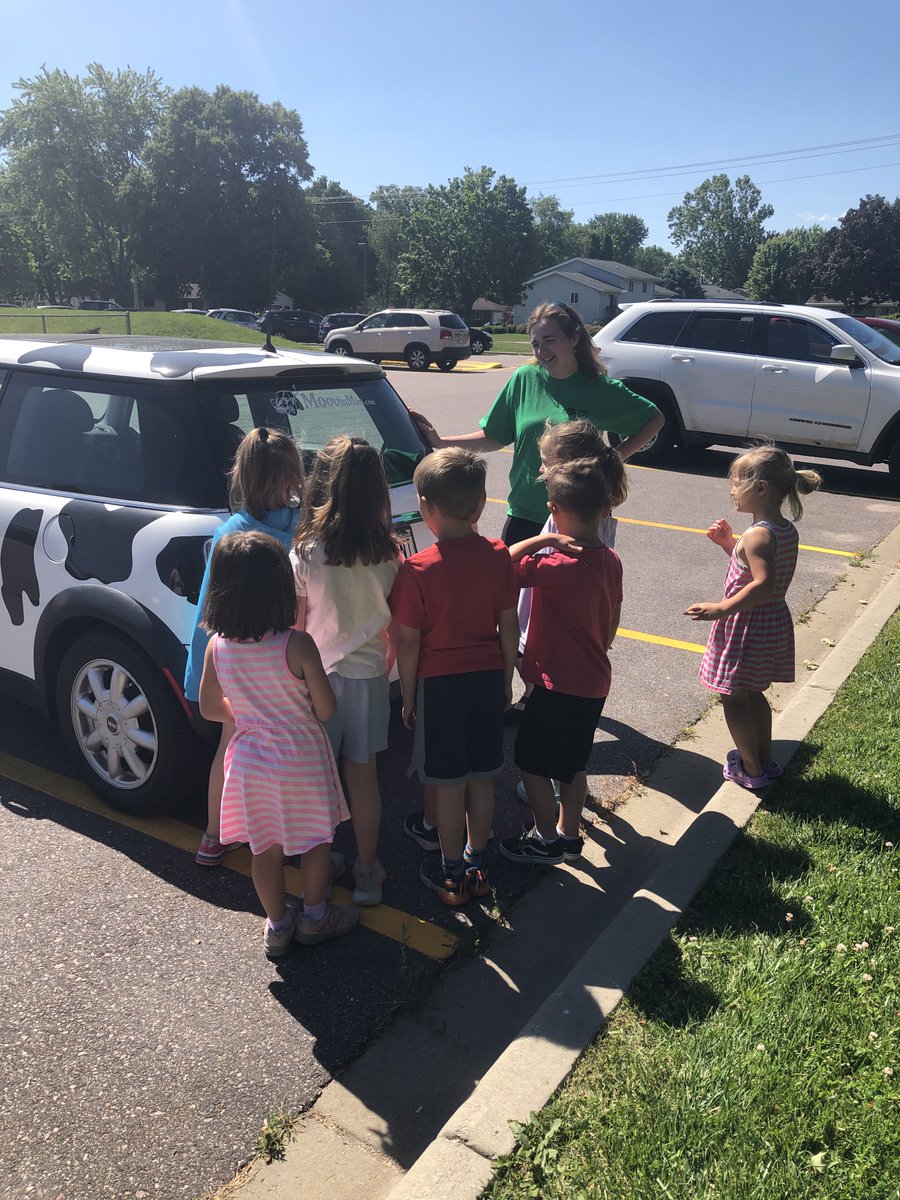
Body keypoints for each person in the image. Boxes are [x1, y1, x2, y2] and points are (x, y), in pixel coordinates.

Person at [198, 530, 357, 957]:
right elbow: (325, 709)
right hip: (301, 759)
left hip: (249, 764)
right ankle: (316, 916)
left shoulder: (218, 647)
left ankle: (278, 925)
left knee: (264, 849)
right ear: (279, 587)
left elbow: (210, 707)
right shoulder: (296, 644)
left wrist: (248, 718)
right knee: (317, 842)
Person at [411, 300, 662, 546]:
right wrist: (440, 442)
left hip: (579, 520)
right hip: (525, 514)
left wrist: (614, 458)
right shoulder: (525, 378)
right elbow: (494, 436)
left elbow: (654, 419)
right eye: (535, 344)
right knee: (514, 587)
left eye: (550, 340)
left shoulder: (600, 389)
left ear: (574, 339)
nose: (542, 351)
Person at [390, 448, 519, 906]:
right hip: (486, 678)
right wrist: (506, 679)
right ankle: (477, 866)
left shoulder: (418, 569)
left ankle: (450, 873)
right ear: (482, 505)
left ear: (425, 507)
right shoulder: (499, 555)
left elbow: (407, 642)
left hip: (440, 686)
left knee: (446, 783)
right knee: (482, 778)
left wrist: (408, 696)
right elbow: (509, 624)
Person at [184, 427, 305, 868]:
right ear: (293, 475)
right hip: (280, 669)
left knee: (230, 749)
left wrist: (203, 675)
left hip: (233, 670)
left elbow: (209, 610)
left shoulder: (230, 532)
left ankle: (214, 837)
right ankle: (291, 840)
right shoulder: (296, 531)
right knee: (287, 757)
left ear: (242, 474)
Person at [291, 437, 402, 907]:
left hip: (316, 678)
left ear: (324, 483)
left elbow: (296, 626)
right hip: (370, 676)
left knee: (317, 780)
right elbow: (394, 620)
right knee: (364, 778)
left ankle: (319, 862)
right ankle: (367, 872)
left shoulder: (307, 550)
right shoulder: (391, 553)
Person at [499, 459, 623, 866]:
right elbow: (614, 615)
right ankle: (570, 836)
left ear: (553, 511)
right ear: (605, 507)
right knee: (572, 764)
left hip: (557, 685)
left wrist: (538, 542)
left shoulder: (555, 564)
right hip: (593, 681)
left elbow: (500, 567)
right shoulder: (611, 560)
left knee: (531, 763)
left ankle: (546, 838)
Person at [685, 445, 822, 790]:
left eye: (735, 483)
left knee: (732, 696)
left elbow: (762, 584)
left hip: (745, 625)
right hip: (769, 622)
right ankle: (765, 761)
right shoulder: (781, 529)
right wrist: (728, 544)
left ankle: (749, 770)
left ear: (760, 488)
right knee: (753, 693)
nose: (731, 490)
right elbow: (754, 566)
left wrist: (721, 608)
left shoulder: (759, 534)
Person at [511, 419, 628, 734]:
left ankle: (539, 696)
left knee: (527, 647)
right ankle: (533, 694)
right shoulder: (589, 506)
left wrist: (546, 544)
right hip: (551, 589)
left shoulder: (579, 517)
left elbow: (506, 564)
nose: (541, 468)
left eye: (548, 464)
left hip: (556, 593)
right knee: (526, 646)